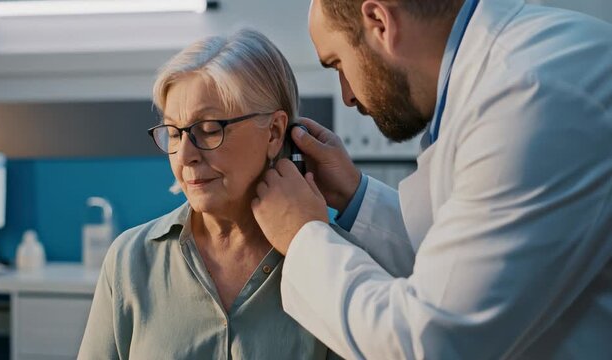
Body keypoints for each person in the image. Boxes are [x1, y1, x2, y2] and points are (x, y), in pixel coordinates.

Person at [251, 0, 612, 358]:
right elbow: (459, 267)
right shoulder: (495, 78)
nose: (346, 95)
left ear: (379, 21)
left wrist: (302, 235)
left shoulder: (531, 96)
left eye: (338, 64)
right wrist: (354, 196)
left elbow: (431, 342)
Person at [78, 28, 339, 359]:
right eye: (174, 133)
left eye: (210, 129)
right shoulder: (130, 261)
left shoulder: (333, 263)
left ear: (273, 132)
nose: (186, 155)